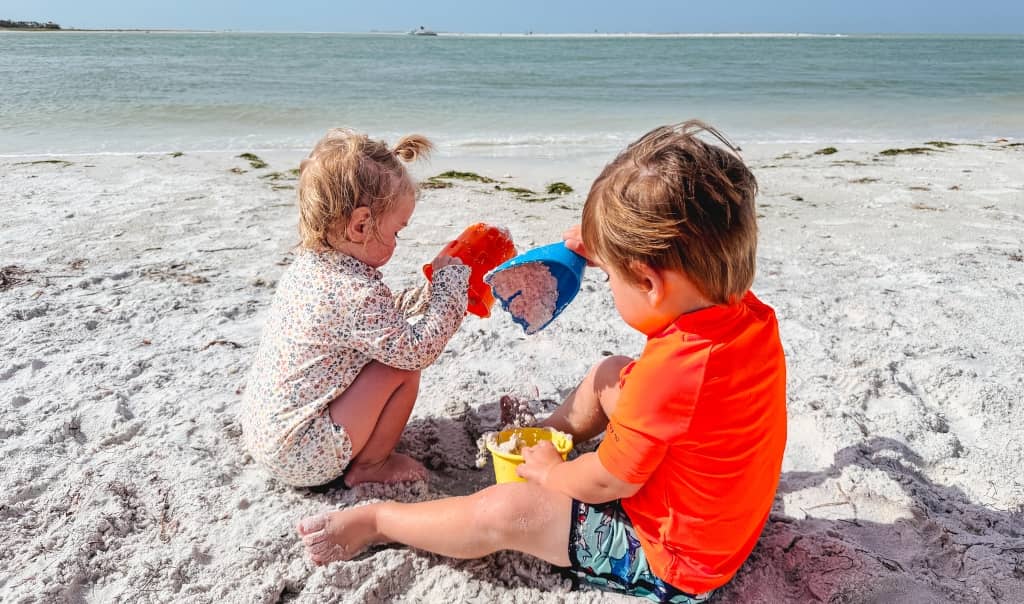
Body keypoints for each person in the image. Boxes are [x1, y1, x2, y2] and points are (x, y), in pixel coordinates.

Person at [296, 121, 787, 602]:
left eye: (613, 275)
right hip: (724, 511)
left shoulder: (668, 378)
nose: (608, 279)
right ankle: (546, 436)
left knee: (508, 508)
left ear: (649, 283)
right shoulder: (750, 313)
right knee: (609, 373)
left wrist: (554, 474)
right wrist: (606, 246)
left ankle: (379, 522)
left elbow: (608, 480)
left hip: (674, 559)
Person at [241, 128, 469, 489]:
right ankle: (372, 465)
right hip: (302, 454)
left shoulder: (310, 265)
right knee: (400, 369)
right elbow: (417, 351)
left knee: (387, 355)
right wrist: (450, 295)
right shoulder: (356, 292)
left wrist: (428, 294)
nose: (397, 242)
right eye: (397, 232)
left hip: (267, 433)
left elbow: (378, 321)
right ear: (361, 224)